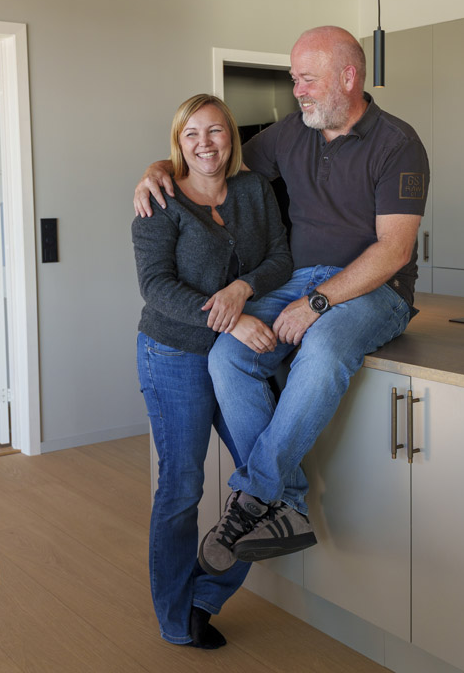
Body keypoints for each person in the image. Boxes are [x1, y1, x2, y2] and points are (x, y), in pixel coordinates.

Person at [135, 26, 429, 577]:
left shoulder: (398, 144)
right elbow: (211, 155)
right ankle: (287, 503)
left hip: (374, 290)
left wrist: (317, 302)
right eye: (294, 79)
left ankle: (255, 495)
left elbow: (394, 250)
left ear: (348, 77)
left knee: (324, 348)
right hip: (297, 281)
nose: (297, 91)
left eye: (307, 79)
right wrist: (158, 169)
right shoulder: (292, 131)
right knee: (229, 353)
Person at [132, 94, 291, 649]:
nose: (205, 144)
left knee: (264, 479)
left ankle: (205, 595)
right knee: (182, 487)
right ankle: (176, 619)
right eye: (192, 133)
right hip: (174, 354)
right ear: (178, 142)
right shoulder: (160, 199)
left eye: (216, 131)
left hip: (236, 360)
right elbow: (155, 287)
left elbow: (281, 257)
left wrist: (243, 288)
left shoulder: (254, 190)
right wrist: (232, 320)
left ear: (232, 137)